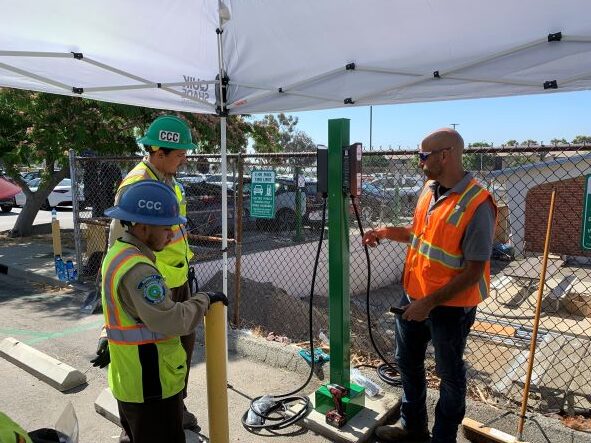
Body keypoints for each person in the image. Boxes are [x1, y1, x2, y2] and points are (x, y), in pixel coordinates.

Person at [363, 128, 497, 443]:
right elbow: (418, 233)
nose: (420, 162)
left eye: (423, 156)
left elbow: (474, 271)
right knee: (408, 363)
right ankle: (413, 428)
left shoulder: (478, 204)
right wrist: (384, 231)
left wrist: (429, 303)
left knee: (449, 377)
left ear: (445, 155)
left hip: (449, 309)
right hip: (413, 298)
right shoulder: (429, 189)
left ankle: (443, 437)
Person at [92, 115, 201, 431]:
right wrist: (106, 325)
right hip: (151, 286)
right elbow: (118, 248)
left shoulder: (166, 177)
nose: (184, 160)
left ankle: (175, 407)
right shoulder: (137, 185)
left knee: (180, 350)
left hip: (176, 278)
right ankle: (154, 418)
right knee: (155, 356)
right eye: (179, 155)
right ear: (159, 152)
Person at [98, 180, 227, 443]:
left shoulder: (118, 254)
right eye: (166, 228)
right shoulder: (140, 270)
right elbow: (173, 320)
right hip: (152, 385)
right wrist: (203, 300)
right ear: (143, 227)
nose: (172, 235)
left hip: (131, 380)